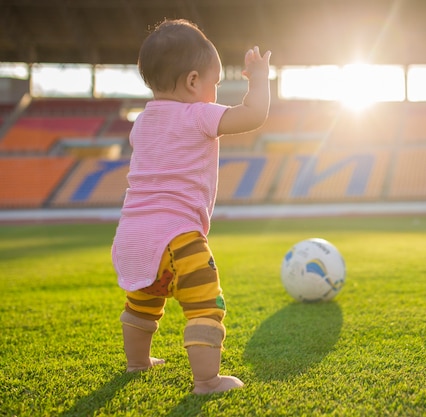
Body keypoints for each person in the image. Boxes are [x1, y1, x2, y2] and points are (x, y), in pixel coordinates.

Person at [111, 18, 271, 394]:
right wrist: (259, 80)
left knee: (141, 303)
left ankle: (137, 362)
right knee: (204, 305)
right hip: (179, 236)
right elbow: (254, 115)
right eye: (214, 84)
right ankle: (207, 380)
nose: (215, 93)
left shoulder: (142, 122)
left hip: (132, 235)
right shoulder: (198, 113)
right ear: (193, 81)